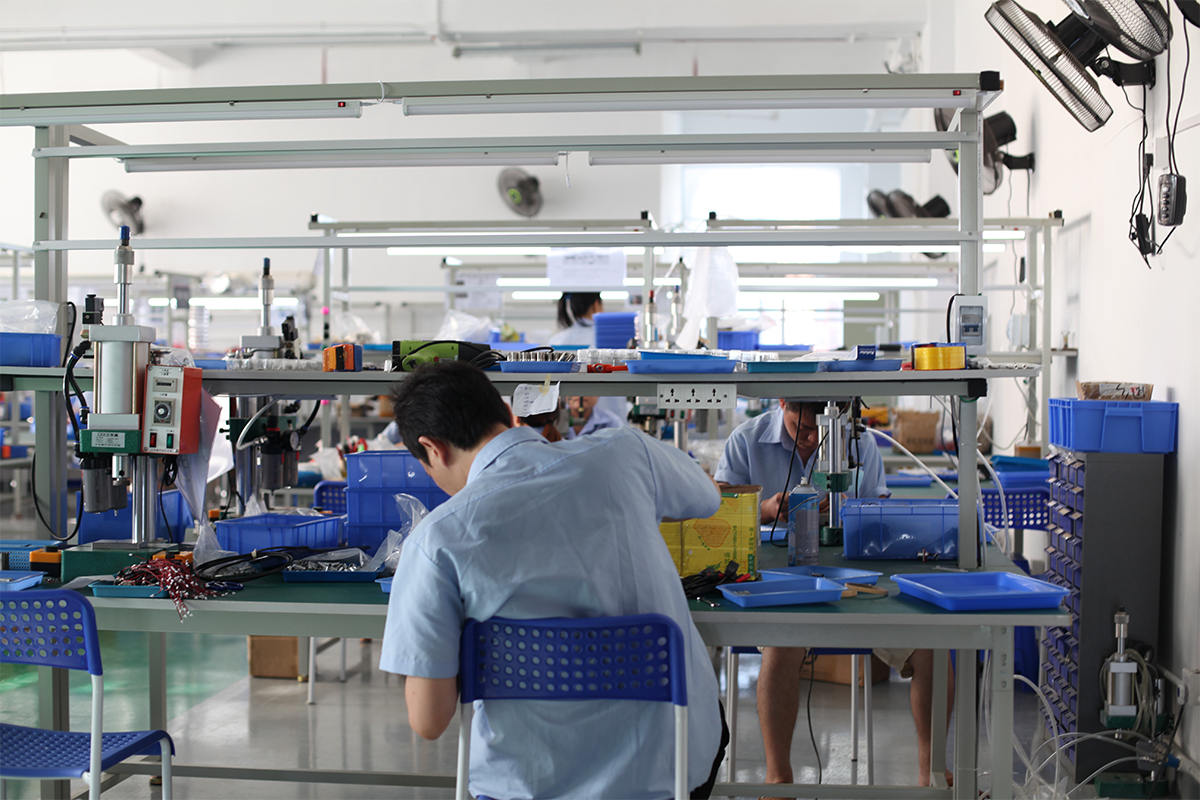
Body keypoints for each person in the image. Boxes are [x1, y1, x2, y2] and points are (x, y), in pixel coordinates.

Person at [379, 361, 729, 800]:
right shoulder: (626, 450)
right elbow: (709, 497)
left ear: (432, 449)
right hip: (671, 776)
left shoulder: (435, 542)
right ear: (507, 415)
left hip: (528, 787)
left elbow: (429, 720)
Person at [714, 399, 953, 790]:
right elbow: (721, 508)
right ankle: (779, 780)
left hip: (856, 576)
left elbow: (880, 512)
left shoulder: (860, 443)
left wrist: (853, 512)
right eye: (802, 428)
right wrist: (768, 509)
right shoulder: (746, 440)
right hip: (783, 580)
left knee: (931, 648)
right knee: (781, 646)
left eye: (820, 431)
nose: (811, 439)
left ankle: (932, 772)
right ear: (782, 404)